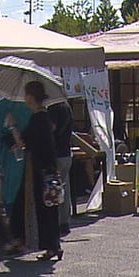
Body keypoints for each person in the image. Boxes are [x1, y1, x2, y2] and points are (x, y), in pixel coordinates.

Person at [10, 81, 63, 260]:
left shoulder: (38, 119)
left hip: (39, 169)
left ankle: (49, 245)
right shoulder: (44, 118)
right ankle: (53, 245)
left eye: (26, 95)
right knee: (49, 206)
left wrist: (12, 126)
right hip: (48, 167)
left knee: (44, 207)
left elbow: (22, 142)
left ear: (31, 97)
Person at [0, 96, 32, 229]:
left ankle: (12, 230)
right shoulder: (31, 107)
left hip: (6, 157)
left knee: (7, 195)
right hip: (28, 157)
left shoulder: (1, 107)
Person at [48, 99, 74, 237]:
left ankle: (58, 221)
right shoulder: (67, 107)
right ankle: (65, 221)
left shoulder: (54, 108)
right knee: (64, 188)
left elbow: (51, 129)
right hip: (66, 152)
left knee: (54, 189)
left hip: (56, 153)